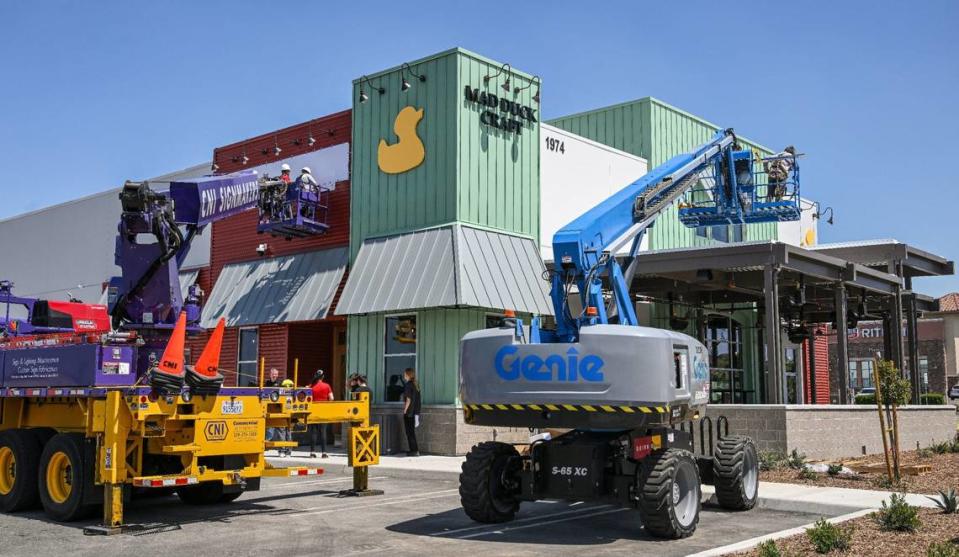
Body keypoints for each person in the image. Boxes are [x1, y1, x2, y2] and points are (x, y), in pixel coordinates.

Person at [309, 369, 333, 458]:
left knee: (313, 432)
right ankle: (324, 452)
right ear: (323, 377)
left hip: (313, 411)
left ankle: (312, 452)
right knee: (323, 432)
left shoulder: (311, 386)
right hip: (323, 411)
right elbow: (331, 398)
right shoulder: (327, 386)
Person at [402, 368, 421, 457]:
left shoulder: (408, 385)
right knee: (412, 432)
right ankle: (415, 450)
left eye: (405, 374)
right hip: (415, 412)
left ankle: (413, 451)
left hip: (409, 412)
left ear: (408, 375)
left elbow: (408, 399)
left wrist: (405, 410)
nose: (404, 376)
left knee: (409, 432)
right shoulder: (416, 385)